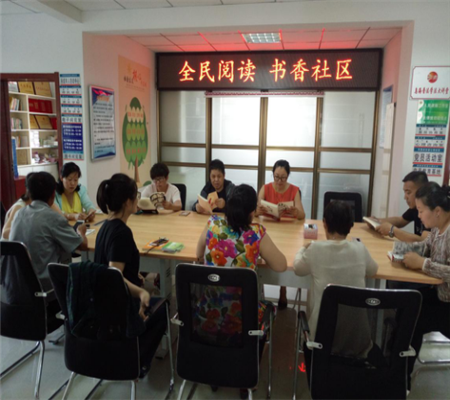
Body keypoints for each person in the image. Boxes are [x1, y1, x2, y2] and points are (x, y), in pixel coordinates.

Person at [196, 184, 286, 398]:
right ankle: (247, 371)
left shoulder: (212, 224)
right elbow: (281, 265)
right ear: (252, 213)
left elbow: (198, 254)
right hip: (243, 321)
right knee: (268, 309)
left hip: (207, 315)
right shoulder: (256, 234)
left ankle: (217, 367)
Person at [294, 201, 379, 382]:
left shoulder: (316, 249)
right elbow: (373, 270)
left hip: (321, 340)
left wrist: (302, 249)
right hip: (358, 343)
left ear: (324, 223)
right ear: (351, 226)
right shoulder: (360, 248)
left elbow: (298, 268)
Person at [95, 173, 167, 378]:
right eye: (135, 196)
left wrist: (134, 277)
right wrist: (141, 292)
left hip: (103, 306)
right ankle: (137, 360)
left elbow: (113, 271)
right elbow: (114, 277)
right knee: (163, 307)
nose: (138, 199)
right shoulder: (121, 233)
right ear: (128, 202)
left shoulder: (105, 226)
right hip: (121, 308)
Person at [401, 182, 450, 388]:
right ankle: (398, 369)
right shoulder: (438, 229)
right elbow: (424, 247)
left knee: (412, 318)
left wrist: (422, 264)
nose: (419, 216)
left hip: (447, 305)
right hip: (439, 295)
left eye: (421, 211)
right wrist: (398, 252)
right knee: (407, 303)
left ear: (437, 211)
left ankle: (401, 379)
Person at [9, 172, 88, 292]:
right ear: (53, 195)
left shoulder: (19, 214)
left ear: (29, 193)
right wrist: (81, 231)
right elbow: (82, 246)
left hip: (15, 287)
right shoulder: (52, 218)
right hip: (45, 288)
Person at [256, 159, 306, 309]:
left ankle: (283, 289)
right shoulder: (265, 188)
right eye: (276, 177)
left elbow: (302, 215)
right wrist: (259, 210)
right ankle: (261, 284)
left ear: (288, 176)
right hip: (268, 229)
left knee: (284, 255)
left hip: (288, 231)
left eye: (283, 178)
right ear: (272, 174)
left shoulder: (294, 190)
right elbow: (255, 211)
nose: (279, 181)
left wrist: (296, 212)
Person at [1, 173, 62, 240]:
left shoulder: (43, 202)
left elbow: (61, 219)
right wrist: (31, 230)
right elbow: (5, 233)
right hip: (13, 244)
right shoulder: (19, 207)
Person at [372, 171, 429, 242]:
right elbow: (401, 220)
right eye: (405, 192)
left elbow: (424, 241)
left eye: (408, 192)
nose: (405, 197)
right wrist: (376, 221)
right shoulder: (415, 208)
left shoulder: (431, 209)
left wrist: (392, 230)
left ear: (421, 191)